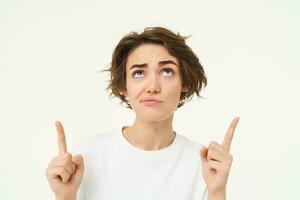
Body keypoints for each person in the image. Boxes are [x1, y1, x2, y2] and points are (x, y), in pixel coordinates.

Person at [45, 27, 239, 200]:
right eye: (139, 73)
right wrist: (64, 196)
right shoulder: (88, 155)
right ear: (124, 86)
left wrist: (217, 193)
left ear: (184, 82)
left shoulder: (203, 162)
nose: (152, 87)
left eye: (167, 71)